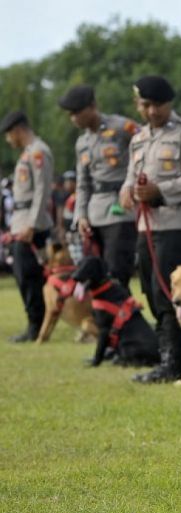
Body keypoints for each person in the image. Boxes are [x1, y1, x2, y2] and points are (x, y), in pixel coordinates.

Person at [120, 76, 181, 384]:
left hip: (175, 223)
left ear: (169, 103)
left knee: (169, 293)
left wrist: (161, 190)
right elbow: (132, 175)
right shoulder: (138, 137)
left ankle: (173, 361)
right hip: (146, 225)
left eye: (157, 105)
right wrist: (126, 190)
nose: (151, 111)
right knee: (148, 287)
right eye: (145, 105)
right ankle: (166, 355)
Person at [58, 84, 139, 289]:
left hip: (121, 211)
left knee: (116, 273)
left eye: (77, 112)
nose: (74, 118)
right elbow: (83, 183)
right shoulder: (82, 142)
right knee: (96, 275)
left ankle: (122, 319)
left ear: (93, 106)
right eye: (70, 114)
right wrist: (81, 216)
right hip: (94, 214)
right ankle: (104, 320)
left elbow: (147, 150)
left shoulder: (122, 127)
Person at [1, 111, 54, 343]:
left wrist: (32, 225)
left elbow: (42, 191)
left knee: (29, 276)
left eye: (8, 134)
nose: (7, 140)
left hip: (31, 225)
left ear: (17, 130)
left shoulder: (38, 152)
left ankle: (36, 326)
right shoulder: (28, 154)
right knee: (25, 276)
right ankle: (37, 322)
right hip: (21, 221)